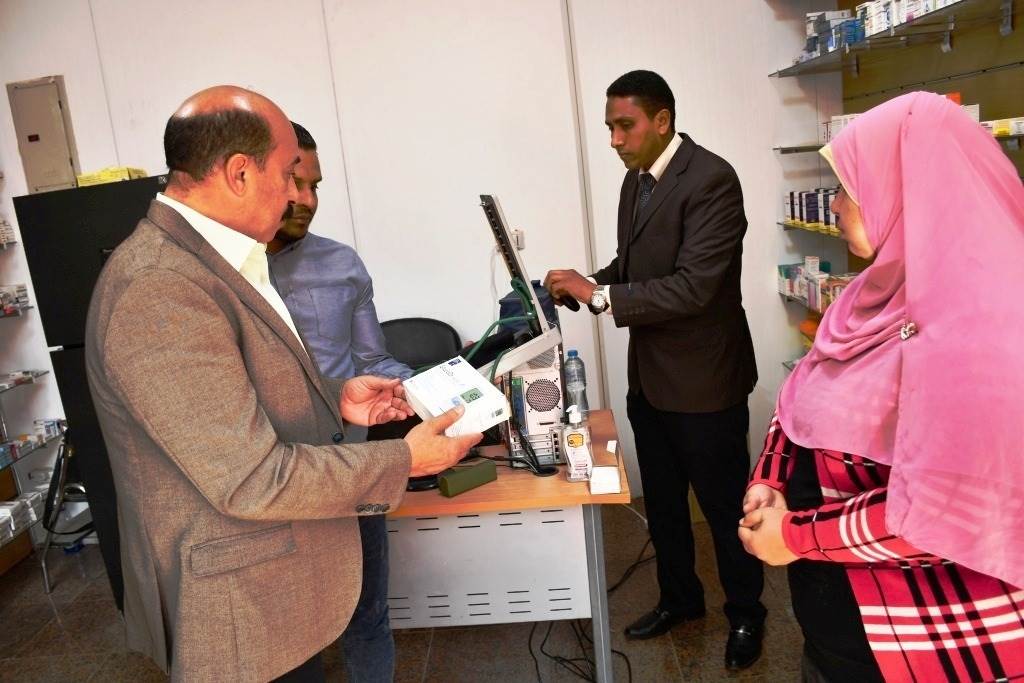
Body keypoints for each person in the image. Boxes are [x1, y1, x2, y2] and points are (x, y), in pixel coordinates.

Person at [85, 86, 480, 682]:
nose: (299, 196)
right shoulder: (160, 287)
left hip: (275, 577)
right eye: (288, 174)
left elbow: (233, 401)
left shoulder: (213, 262)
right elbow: (248, 478)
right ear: (240, 173)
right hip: (239, 603)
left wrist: (336, 401)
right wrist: (405, 459)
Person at [739, 91, 1024, 682]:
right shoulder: (871, 294)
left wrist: (795, 536)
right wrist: (770, 476)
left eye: (849, 187)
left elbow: (943, 511)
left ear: (910, 191)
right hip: (837, 625)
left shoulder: (990, 331)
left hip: (929, 643)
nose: (835, 205)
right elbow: (804, 394)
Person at [544, 70, 764, 670]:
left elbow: (694, 288)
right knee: (664, 504)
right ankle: (680, 600)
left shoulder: (713, 180)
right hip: (651, 379)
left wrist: (597, 296)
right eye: (609, 127)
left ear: (662, 120)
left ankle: (747, 614)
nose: (614, 139)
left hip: (705, 383)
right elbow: (635, 265)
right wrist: (585, 283)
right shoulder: (636, 180)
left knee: (724, 509)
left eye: (626, 125)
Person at [266, 121, 411, 682]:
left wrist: (443, 388)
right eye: (294, 183)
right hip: (273, 478)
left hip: (352, 468)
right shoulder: (225, 272)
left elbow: (373, 360)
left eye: (316, 186)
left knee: (367, 615)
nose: (307, 200)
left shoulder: (342, 263)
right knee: (288, 632)